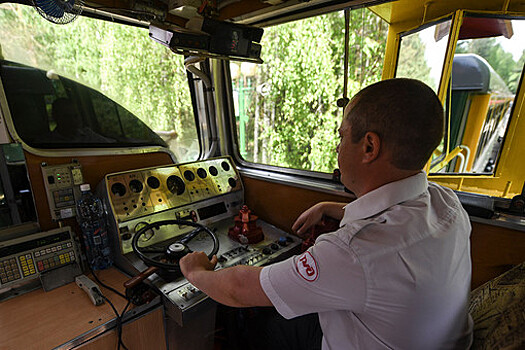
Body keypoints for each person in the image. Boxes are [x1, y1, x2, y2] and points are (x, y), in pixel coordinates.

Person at [180, 78, 473, 349]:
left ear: (369, 146)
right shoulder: (447, 204)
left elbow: (237, 289)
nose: (337, 146)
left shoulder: (355, 250)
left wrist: (196, 272)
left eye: (342, 135)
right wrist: (330, 207)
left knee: (261, 329)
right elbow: (395, 227)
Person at [41, 98, 115, 143]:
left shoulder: (88, 135)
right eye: (67, 117)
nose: (73, 121)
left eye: (75, 116)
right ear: (56, 117)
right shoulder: (46, 143)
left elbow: (111, 145)